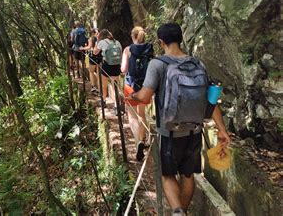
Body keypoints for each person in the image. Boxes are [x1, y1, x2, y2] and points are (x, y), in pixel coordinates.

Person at [125, 23, 231, 216]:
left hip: (170, 131)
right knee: (188, 174)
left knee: (167, 174)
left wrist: (133, 96)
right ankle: (183, 211)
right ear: (181, 39)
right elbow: (212, 100)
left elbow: (145, 97)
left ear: (161, 42)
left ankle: (176, 211)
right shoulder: (198, 64)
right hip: (194, 131)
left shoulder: (158, 64)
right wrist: (222, 129)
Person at [121, 26, 153, 161]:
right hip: (146, 86)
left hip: (131, 86)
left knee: (132, 116)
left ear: (132, 36)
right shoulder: (149, 49)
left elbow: (123, 69)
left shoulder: (128, 50)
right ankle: (142, 138)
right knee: (142, 114)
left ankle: (138, 141)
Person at [93, 29, 122, 114]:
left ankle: (103, 101)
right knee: (115, 86)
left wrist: (97, 42)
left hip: (107, 65)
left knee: (104, 85)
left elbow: (95, 52)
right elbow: (120, 52)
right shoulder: (117, 42)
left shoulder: (102, 42)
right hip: (116, 66)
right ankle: (117, 107)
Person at [80, 28, 101, 94]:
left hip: (93, 56)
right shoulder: (100, 39)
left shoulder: (91, 38)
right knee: (98, 72)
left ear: (92, 33)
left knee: (91, 72)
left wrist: (82, 48)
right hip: (100, 56)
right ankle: (100, 88)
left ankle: (93, 87)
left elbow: (89, 47)